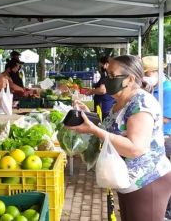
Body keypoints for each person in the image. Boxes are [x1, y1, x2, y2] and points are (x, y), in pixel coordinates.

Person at [69, 55, 171, 221]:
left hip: (147, 181)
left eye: (111, 75)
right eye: (106, 73)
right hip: (127, 181)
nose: (107, 79)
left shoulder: (141, 103)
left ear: (129, 79)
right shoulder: (121, 101)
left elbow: (135, 148)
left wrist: (95, 130)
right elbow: (115, 131)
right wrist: (88, 116)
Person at [141, 56, 171, 219]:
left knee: (162, 175)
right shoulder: (153, 88)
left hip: (166, 138)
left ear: (156, 72)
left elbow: (166, 117)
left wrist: (141, 119)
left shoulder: (168, 90)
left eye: (147, 73)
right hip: (154, 136)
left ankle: (166, 211)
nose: (145, 77)